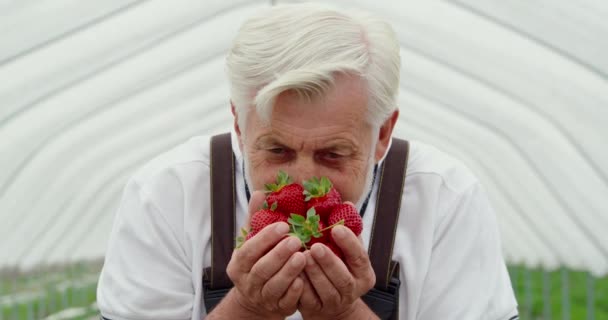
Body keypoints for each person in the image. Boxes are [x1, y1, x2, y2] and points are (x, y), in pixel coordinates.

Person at [97, 3, 518, 320]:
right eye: (276, 149)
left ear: (383, 134)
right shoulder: (166, 195)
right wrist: (246, 308)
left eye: (333, 154)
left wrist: (346, 314)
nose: (301, 178)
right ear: (239, 128)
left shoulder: (445, 199)